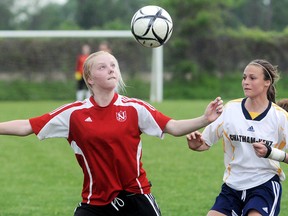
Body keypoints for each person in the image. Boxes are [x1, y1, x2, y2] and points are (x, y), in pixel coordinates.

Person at [0, 51, 223, 216]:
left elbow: (173, 127)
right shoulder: (73, 114)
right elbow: (27, 126)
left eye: (114, 65)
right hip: (95, 203)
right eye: (103, 67)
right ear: (89, 78)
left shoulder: (134, 108)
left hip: (137, 198)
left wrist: (204, 119)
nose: (111, 69)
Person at [186, 59, 288, 216]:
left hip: (264, 186)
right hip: (232, 187)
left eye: (252, 78)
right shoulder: (230, 109)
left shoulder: (280, 117)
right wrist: (194, 144)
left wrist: (271, 153)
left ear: (267, 82)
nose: (246, 82)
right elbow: (203, 143)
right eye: (244, 77)